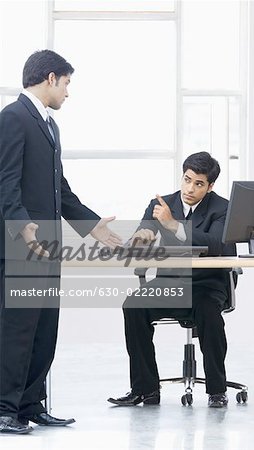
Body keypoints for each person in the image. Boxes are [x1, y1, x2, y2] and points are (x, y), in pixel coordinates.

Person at [0, 49, 121, 434]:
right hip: (23, 245)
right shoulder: (13, 118)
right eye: (67, 83)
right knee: (17, 330)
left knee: (44, 329)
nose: (69, 92)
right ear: (50, 78)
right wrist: (20, 224)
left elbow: (60, 190)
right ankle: (5, 410)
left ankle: (31, 405)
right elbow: (5, 181)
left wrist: (91, 225)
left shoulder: (50, 126)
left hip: (47, 247)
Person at [108, 151, 236, 408]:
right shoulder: (161, 204)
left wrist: (173, 225)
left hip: (207, 285)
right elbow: (140, 238)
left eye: (198, 184)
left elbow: (217, 244)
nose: (190, 188)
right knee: (133, 305)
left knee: (208, 311)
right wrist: (139, 239)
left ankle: (217, 390)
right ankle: (145, 390)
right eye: (187, 180)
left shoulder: (223, 208)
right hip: (169, 283)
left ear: (210, 186)